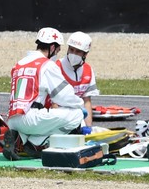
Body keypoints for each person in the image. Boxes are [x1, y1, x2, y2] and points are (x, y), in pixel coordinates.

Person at [5, 28, 85, 160]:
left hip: (12, 119)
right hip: (31, 117)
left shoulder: (19, 64)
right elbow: (63, 96)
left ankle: (19, 138)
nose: (57, 55)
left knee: (43, 117)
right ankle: (36, 143)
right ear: (52, 47)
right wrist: (80, 105)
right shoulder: (47, 65)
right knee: (76, 115)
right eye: (57, 51)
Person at [56, 31, 99, 128]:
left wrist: (88, 127)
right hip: (58, 116)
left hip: (76, 115)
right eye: (71, 49)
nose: (73, 54)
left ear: (85, 54)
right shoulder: (56, 67)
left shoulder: (88, 70)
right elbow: (52, 102)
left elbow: (86, 100)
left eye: (78, 51)